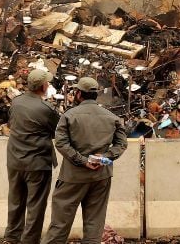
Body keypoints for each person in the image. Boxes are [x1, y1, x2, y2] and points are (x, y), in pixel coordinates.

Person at [41, 77, 127, 244]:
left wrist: (82, 160)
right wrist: (106, 157)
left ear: (79, 93)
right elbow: (121, 143)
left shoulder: (69, 116)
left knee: (60, 224)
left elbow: (61, 143)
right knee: (95, 224)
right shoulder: (111, 117)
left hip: (73, 178)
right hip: (101, 176)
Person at [5, 68, 60, 244]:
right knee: (35, 205)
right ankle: (29, 240)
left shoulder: (16, 102)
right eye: (47, 82)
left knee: (15, 202)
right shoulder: (46, 109)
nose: (48, 84)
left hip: (14, 161)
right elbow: (57, 131)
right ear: (43, 86)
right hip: (37, 163)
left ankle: (11, 237)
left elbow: (12, 123)